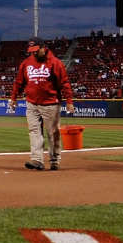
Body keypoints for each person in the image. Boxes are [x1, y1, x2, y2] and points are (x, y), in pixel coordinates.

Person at [12, 39, 73, 170]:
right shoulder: (26, 63)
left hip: (51, 104)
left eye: (35, 51)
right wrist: (13, 98)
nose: (33, 54)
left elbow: (65, 83)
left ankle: (54, 160)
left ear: (43, 48)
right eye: (31, 51)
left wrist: (69, 101)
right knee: (34, 131)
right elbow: (19, 82)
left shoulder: (55, 63)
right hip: (31, 103)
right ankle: (37, 160)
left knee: (53, 133)